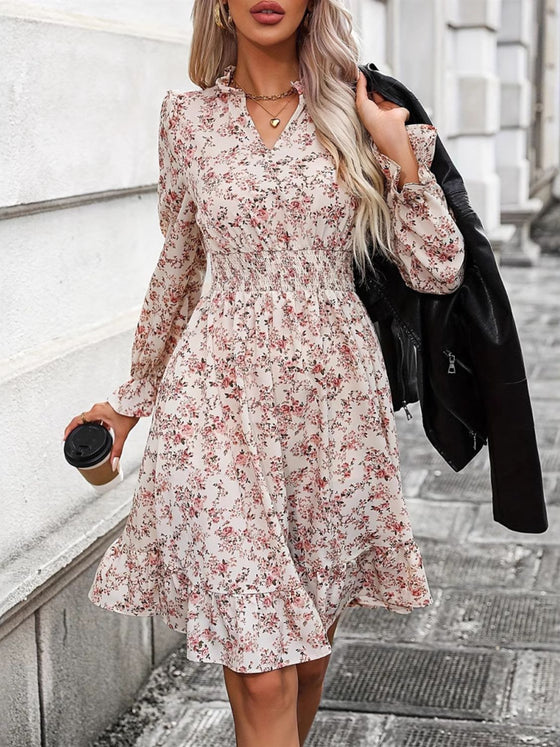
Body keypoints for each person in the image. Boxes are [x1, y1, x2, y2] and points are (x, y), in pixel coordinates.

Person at [63, 1, 465, 744]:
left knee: (306, 653)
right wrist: (130, 402)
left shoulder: (360, 111)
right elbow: (179, 268)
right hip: (217, 395)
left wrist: (401, 155)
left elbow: (437, 269)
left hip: (333, 402)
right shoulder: (187, 119)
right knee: (264, 665)